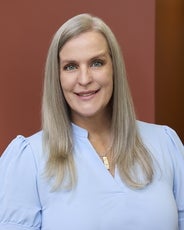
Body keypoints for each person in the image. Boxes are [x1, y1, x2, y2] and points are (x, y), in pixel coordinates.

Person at [0, 13, 183, 230]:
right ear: (56, 77)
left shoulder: (165, 143)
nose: (85, 79)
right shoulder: (28, 158)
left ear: (114, 68)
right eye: (70, 66)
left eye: (96, 63)